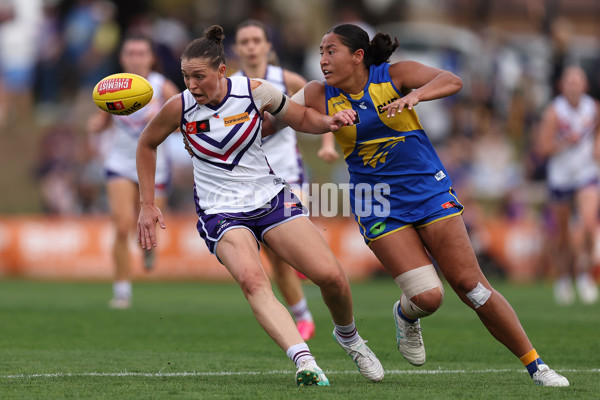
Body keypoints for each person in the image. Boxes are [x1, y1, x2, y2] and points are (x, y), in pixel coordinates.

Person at [276, 23, 569, 387]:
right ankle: (407, 313)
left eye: (330, 51)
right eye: (320, 52)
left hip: (427, 190)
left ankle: (537, 367)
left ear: (358, 56)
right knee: (429, 297)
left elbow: (452, 80)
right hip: (377, 202)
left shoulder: (394, 75)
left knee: (472, 286)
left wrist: (418, 96)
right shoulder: (319, 92)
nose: (322, 60)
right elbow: (281, 117)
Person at [136, 25, 383, 387]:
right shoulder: (180, 107)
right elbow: (146, 144)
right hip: (220, 211)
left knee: (331, 277)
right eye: (186, 77)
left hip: (270, 199)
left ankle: (349, 337)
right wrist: (146, 203)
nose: (191, 85)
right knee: (254, 280)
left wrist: (329, 123)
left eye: (199, 77)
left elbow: (298, 118)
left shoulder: (255, 92)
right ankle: (305, 362)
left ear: (222, 71)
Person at [231, 19, 339, 341]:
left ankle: (307, 259)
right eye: (244, 41)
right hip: (253, 178)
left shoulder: (285, 79)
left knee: (296, 224)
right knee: (277, 261)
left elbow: (322, 104)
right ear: (237, 50)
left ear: (267, 46)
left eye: (256, 40)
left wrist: (328, 143)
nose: (250, 46)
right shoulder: (230, 86)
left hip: (287, 171)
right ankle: (303, 315)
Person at [87, 34, 180, 309]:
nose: (135, 57)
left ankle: (147, 252)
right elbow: (102, 122)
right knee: (121, 224)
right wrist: (95, 124)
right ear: (122, 57)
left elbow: (186, 121)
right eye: (130, 52)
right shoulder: (112, 87)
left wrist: (162, 120)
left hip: (154, 166)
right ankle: (122, 290)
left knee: (146, 227)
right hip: (120, 163)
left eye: (141, 53)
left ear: (151, 58)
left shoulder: (163, 87)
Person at [536, 65, 599, 306]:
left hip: (586, 173)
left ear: (585, 86)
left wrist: (596, 147)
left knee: (588, 223)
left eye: (578, 81)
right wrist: (563, 142)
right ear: (563, 86)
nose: (574, 86)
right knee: (562, 234)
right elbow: (542, 148)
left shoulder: (592, 108)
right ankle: (563, 278)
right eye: (569, 81)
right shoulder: (554, 112)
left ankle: (584, 275)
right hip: (561, 176)